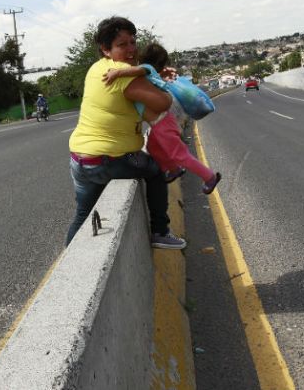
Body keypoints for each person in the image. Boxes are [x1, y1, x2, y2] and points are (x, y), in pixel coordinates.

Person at [66, 16, 186, 249]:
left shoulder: (96, 68)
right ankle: (160, 231)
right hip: (108, 159)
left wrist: (152, 81)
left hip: (80, 159)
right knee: (155, 169)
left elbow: (134, 104)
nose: (131, 50)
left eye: (133, 42)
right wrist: (166, 89)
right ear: (105, 49)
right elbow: (161, 103)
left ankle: (67, 265)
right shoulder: (122, 71)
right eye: (122, 45)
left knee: (82, 215)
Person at [103, 43, 221, 195]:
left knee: (179, 154)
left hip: (163, 124)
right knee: (152, 148)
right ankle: (174, 169)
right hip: (159, 124)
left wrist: (118, 73)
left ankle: (209, 177)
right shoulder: (151, 77)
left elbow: (140, 69)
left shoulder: (147, 70)